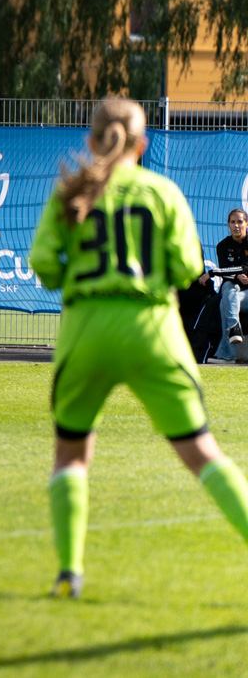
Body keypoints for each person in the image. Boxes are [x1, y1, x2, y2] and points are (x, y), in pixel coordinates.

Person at [29, 97, 248, 599]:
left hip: (86, 333)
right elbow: (187, 268)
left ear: (91, 141)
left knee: (71, 456)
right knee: (203, 453)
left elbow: (45, 267)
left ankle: (69, 574)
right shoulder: (161, 192)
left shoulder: (71, 192)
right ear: (143, 144)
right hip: (153, 331)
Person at [214, 208, 248, 360]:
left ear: (246, 224)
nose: (236, 226)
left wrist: (238, 273)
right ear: (228, 225)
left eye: (240, 222)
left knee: (227, 301)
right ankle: (234, 328)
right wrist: (237, 275)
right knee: (228, 289)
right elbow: (223, 271)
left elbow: (244, 268)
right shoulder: (222, 246)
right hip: (233, 288)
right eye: (232, 222)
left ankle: (226, 354)